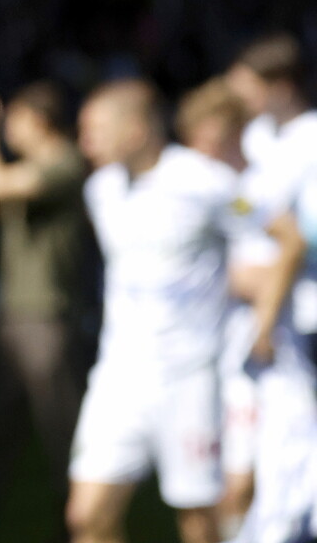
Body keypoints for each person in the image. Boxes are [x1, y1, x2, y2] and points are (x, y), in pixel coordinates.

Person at [65, 78, 236, 543]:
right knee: (86, 516)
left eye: (96, 129)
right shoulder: (101, 189)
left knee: (199, 520)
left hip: (190, 378)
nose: (85, 142)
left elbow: (270, 235)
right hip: (119, 376)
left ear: (137, 130)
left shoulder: (207, 181)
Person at [0, 79, 95, 543]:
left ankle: (79, 526)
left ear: (37, 120)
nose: (6, 125)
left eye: (12, 117)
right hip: (15, 319)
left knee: (65, 440)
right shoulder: (27, 169)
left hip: (51, 320)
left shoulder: (66, 163)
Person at [175, 77, 316, 543]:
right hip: (218, 351)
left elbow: (287, 251)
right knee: (224, 486)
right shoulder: (205, 188)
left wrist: (263, 318)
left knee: (268, 484)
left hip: (268, 351)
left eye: (204, 135)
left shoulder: (253, 187)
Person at [226, 32, 317, 354]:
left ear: (281, 87)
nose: (240, 103)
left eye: (249, 91)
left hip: (305, 312)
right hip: (248, 306)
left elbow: (307, 234)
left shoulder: (311, 138)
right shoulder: (253, 136)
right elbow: (238, 203)